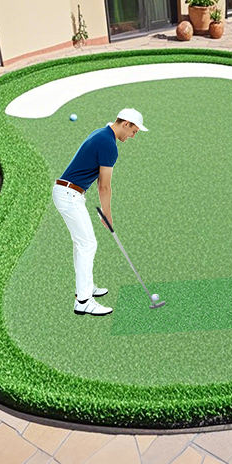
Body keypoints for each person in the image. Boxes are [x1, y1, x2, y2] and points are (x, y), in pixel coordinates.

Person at [52, 107, 148, 316]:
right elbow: (104, 186)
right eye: (134, 131)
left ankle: (86, 287)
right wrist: (107, 214)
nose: (133, 136)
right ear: (126, 124)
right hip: (69, 195)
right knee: (87, 244)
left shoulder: (102, 133)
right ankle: (83, 301)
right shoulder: (108, 145)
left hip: (68, 193)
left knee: (82, 244)